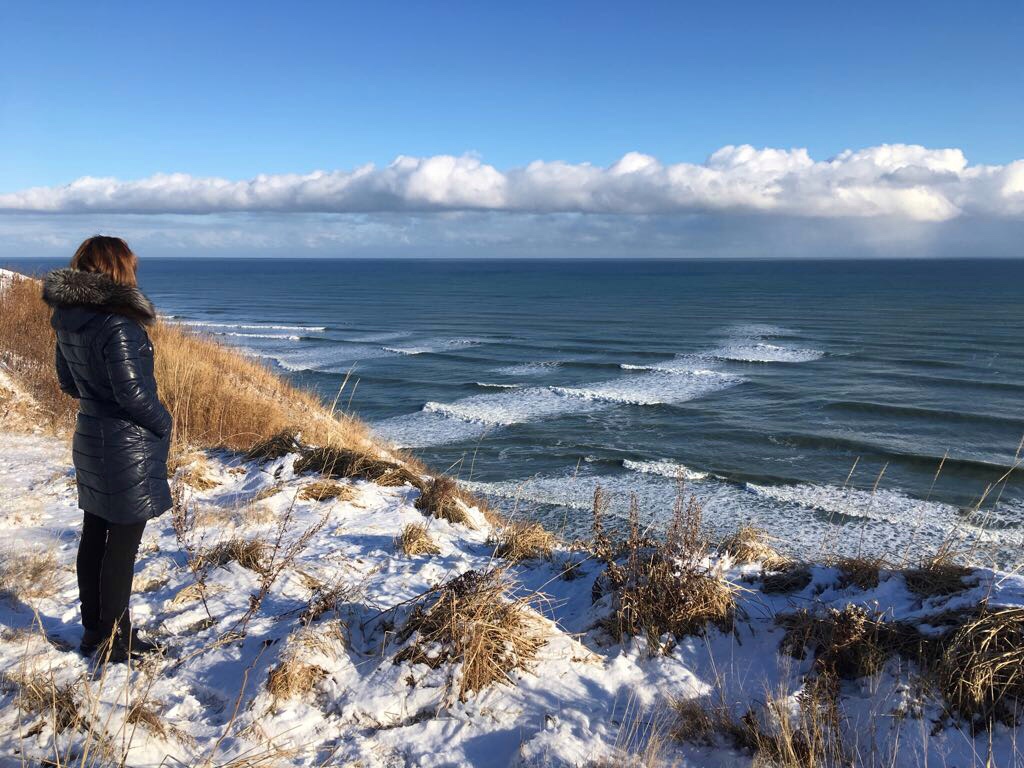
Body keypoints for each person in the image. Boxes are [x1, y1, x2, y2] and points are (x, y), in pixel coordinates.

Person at [43, 236, 172, 664]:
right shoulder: (118, 324)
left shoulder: (69, 318)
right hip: (125, 445)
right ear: (119, 269)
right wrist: (163, 421)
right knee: (122, 545)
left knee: (96, 534)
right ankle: (114, 641)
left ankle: (95, 630)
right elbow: (133, 394)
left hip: (91, 436)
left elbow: (67, 382)